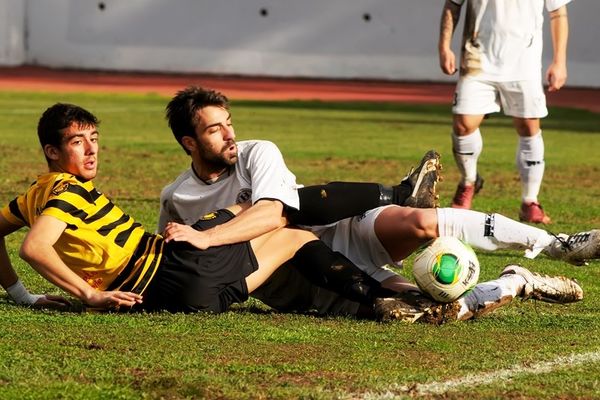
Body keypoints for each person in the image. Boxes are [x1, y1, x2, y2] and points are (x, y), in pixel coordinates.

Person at [158, 86, 593, 322]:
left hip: (336, 228)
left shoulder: (256, 152)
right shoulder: (176, 198)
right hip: (306, 278)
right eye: (216, 130)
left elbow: (275, 212)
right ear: (189, 143)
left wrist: (207, 235)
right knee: (435, 308)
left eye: (230, 123)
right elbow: (175, 263)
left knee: (421, 221)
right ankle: (518, 282)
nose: (231, 134)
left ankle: (559, 244)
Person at [0, 102, 413, 316]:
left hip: (176, 295)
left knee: (274, 227)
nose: (91, 150)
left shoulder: (34, 194)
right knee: (283, 220)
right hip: (173, 271)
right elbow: (35, 247)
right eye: (77, 142)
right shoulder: (68, 192)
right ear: (53, 152)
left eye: (94, 138)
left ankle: (383, 300)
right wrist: (89, 294)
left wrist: (20, 296)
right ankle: (393, 203)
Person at [438, 0, 571, 223]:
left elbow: (558, 13)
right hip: (477, 57)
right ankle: (469, 181)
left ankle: (530, 201)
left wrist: (560, 61)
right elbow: (452, 5)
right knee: (463, 124)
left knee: (528, 127)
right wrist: (444, 47)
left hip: (523, 63)